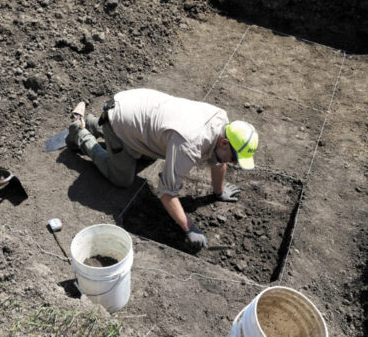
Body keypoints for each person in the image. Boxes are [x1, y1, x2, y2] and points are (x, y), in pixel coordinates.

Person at [66, 88, 258, 250]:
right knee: (122, 179)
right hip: (121, 116)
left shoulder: (222, 123)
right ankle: (79, 131)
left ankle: (94, 122)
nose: (234, 164)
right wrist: (189, 228)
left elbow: (220, 160)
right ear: (224, 142)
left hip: (137, 108)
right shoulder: (190, 144)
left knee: (147, 154)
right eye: (235, 158)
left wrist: (219, 191)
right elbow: (166, 194)